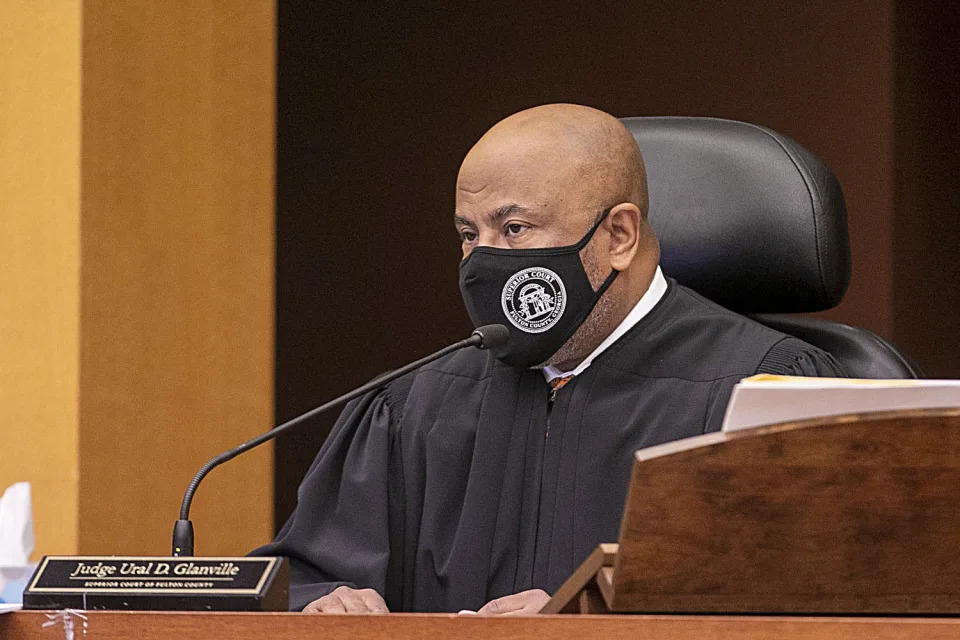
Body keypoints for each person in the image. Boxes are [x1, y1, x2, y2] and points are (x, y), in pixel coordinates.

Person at [252, 104, 845, 615]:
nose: (482, 262)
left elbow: (821, 605)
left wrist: (596, 621)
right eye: (467, 233)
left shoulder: (765, 395)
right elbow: (298, 580)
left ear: (618, 236)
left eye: (514, 229)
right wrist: (322, 603)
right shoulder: (412, 408)